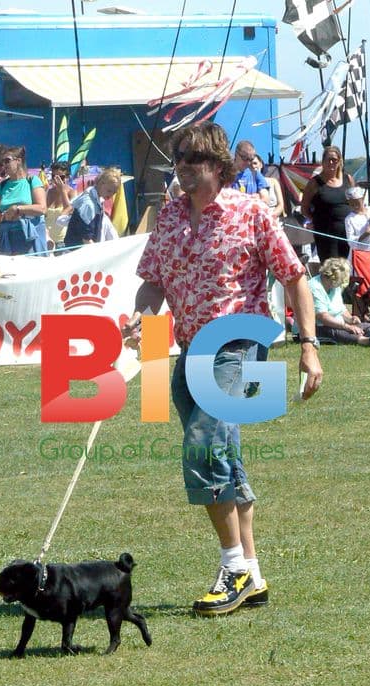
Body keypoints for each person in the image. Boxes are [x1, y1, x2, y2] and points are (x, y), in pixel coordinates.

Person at [123, 121, 322, 617]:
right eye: (178, 159)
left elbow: (294, 278)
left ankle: (231, 568)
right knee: (224, 458)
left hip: (238, 346)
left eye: (191, 158)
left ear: (216, 163)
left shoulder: (250, 212)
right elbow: (153, 283)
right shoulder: (167, 217)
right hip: (189, 347)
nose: (182, 168)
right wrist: (139, 317)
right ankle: (251, 575)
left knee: (203, 448)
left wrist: (310, 345)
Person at [295, 257, 370, 345]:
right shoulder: (314, 287)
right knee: (336, 332)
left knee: (365, 325)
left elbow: (341, 309)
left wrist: (350, 319)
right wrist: (347, 326)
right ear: (333, 278)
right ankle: (367, 341)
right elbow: (323, 318)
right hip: (312, 327)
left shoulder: (333, 285)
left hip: (335, 323)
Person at [0, 146, 48, 256]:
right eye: (2, 162)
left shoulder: (32, 181)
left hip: (30, 239)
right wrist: (4, 216)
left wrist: (18, 209)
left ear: (19, 161)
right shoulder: (2, 186)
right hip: (7, 240)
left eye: (7, 161)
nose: (4, 165)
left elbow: (42, 208)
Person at [301, 145, 355, 262]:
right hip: (326, 234)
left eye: (334, 160)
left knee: (347, 268)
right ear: (323, 161)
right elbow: (304, 208)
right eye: (328, 159)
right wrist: (314, 220)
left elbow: (355, 203)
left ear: (340, 161)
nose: (331, 163)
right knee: (331, 270)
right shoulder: (314, 183)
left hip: (348, 233)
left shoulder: (348, 179)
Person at [63, 167, 121, 249]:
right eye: (109, 190)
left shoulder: (95, 200)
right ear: (101, 183)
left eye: (114, 192)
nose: (111, 194)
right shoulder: (88, 204)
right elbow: (86, 238)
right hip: (77, 253)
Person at [45, 161, 76, 251]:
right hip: (47, 240)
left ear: (67, 177)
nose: (57, 180)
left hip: (62, 241)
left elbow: (69, 210)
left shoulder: (72, 193)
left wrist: (62, 191)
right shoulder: (49, 192)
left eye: (61, 177)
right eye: (54, 177)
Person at [251, 154, 286, 220]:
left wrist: (270, 217)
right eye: (251, 164)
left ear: (261, 165)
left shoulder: (273, 182)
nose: (253, 166)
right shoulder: (247, 184)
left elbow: (281, 205)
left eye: (255, 163)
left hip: (273, 219)